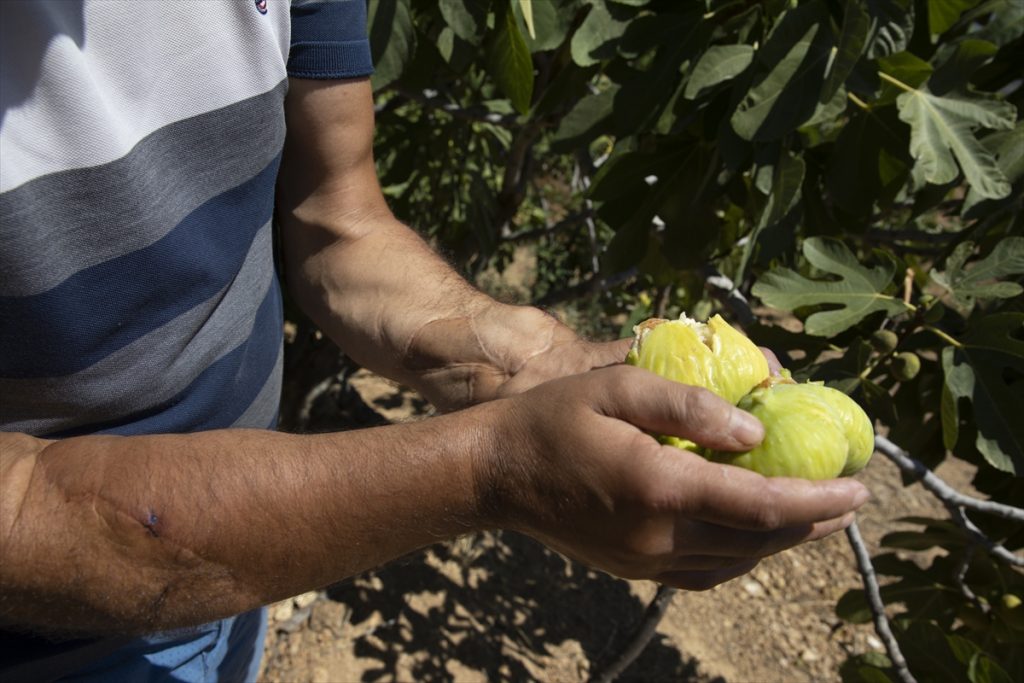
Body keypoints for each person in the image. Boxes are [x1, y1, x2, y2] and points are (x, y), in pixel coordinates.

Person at [0, 1, 869, 680]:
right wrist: (491, 468)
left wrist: (527, 366)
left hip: (239, 562)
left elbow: (334, 216)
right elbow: (18, 506)